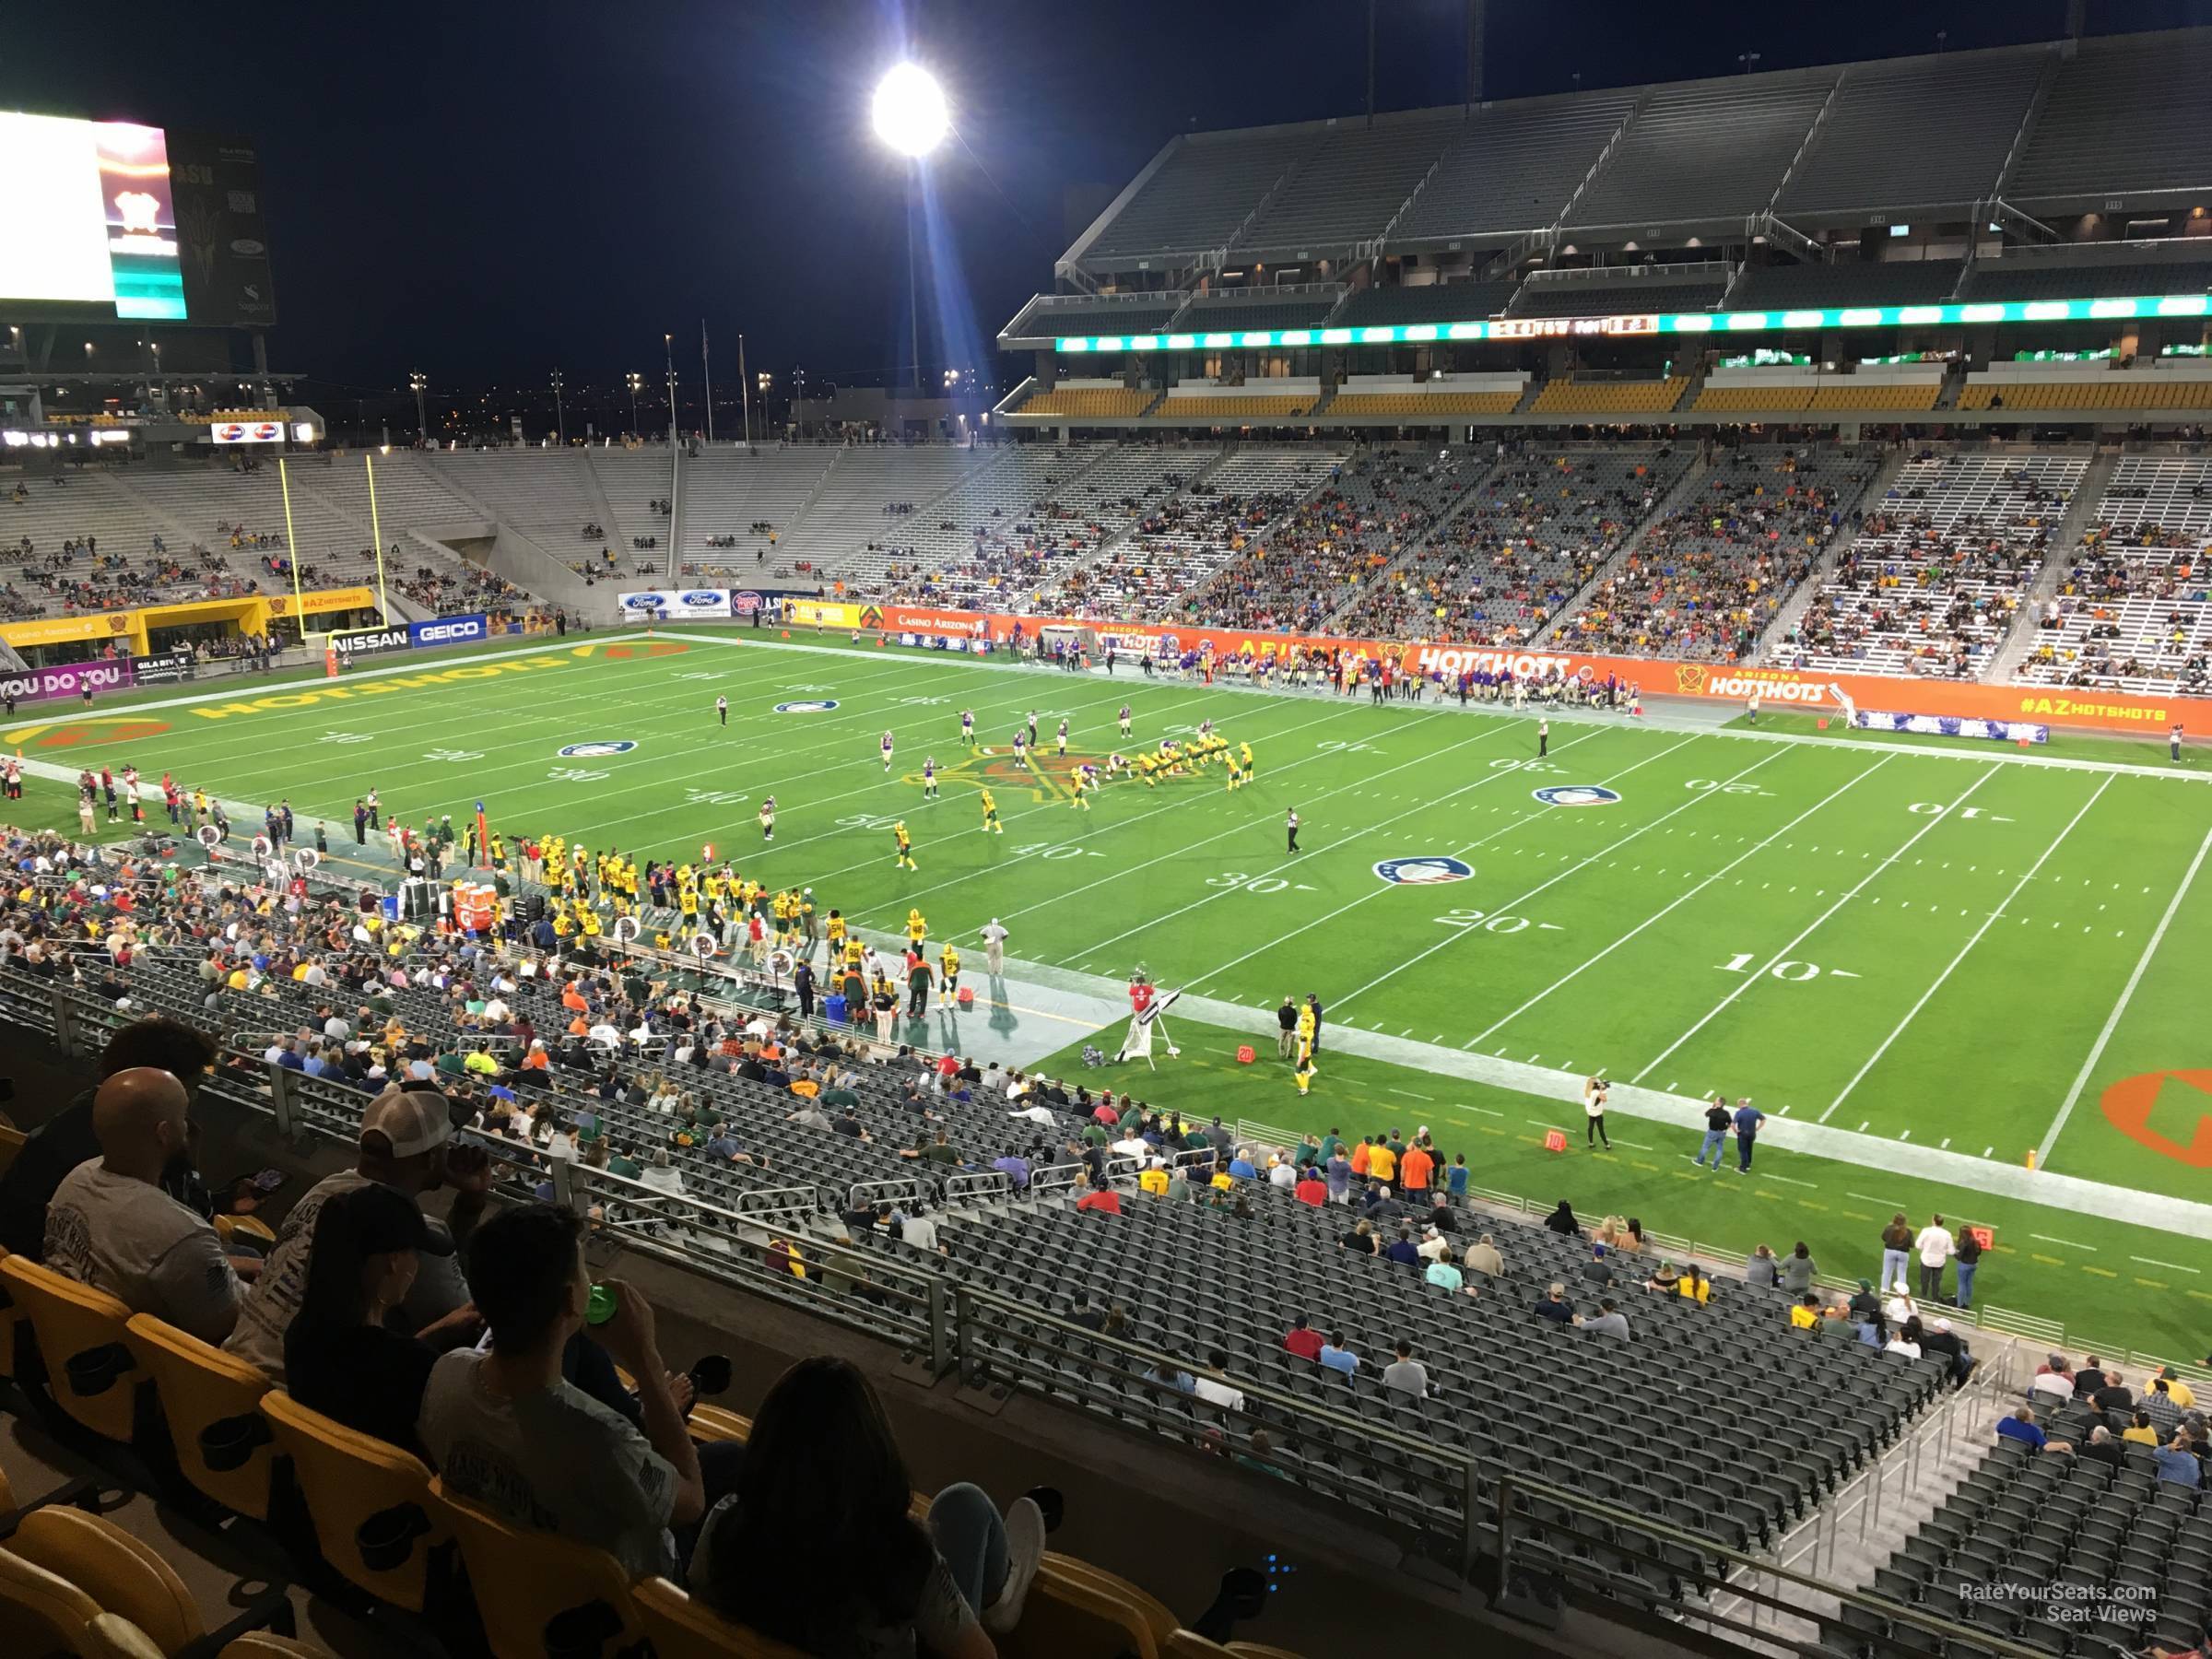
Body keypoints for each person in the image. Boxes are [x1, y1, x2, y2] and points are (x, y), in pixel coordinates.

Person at [416, 1204, 726, 1581]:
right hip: (615, 1599)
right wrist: (645, 1360)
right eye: (583, 1271)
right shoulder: (602, 1438)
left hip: (501, 1577)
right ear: (569, 1300)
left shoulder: (446, 1373)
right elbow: (691, 1502)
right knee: (729, 1461)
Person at [693, 1357, 1045, 1654]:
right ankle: (1001, 1592)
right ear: (872, 1455)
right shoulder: (905, 1558)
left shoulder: (727, 1524)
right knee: (964, 1505)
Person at [226, 1084, 490, 1382]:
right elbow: (463, 1316)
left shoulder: (325, 1189)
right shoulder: (411, 1234)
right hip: (296, 1400)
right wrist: (472, 1202)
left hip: (225, 1370)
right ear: (432, 1158)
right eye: (446, 1143)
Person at [41, 1068, 247, 1343]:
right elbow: (226, 1326)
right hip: (145, 1366)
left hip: (63, 1339)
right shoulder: (182, 1233)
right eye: (182, 1118)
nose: (187, 1126)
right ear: (163, 1133)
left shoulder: (76, 1177)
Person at [0, 1017, 222, 1261]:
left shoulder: (87, 1111)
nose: (193, 1099)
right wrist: (186, 1159)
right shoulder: (136, 1147)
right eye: (192, 1088)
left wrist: (223, 1200)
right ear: (161, 1085)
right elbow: (182, 1238)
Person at [284, 1183, 481, 1454]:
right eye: (416, 1253)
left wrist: (437, 1331)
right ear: (394, 1261)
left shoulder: (301, 1333)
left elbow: (367, 1368)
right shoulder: (414, 1366)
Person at [1913, 1215, 1956, 1301]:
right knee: (1936, 1282)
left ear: (1934, 1221)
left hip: (1926, 1260)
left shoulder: (1926, 1231)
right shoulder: (1947, 1234)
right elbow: (1952, 1251)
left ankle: (1923, 1297)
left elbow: (1917, 1245)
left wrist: (1925, 1248)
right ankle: (1935, 1299)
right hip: (1939, 1262)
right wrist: (1943, 1251)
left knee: (1924, 1280)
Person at [1995, 1406, 2068, 1453]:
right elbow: (2047, 1447)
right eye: (2032, 1414)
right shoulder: (2034, 1431)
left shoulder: (2006, 1420)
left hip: (2002, 1452)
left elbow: (1997, 1432)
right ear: (2028, 1419)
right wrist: (2064, 1444)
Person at [1693, 1094, 1732, 1172]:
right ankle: (1715, 1167)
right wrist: (1725, 1129)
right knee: (1719, 1148)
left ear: (1719, 1103)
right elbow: (1730, 1123)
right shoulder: (1726, 1113)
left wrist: (1713, 1107)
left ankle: (1699, 1161)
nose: (1714, 1101)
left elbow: (1706, 1114)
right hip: (1722, 1133)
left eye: (1716, 1100)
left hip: (1712, 1132)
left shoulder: (1713, 1111)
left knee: (1705, 1147)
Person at [1878, 1214, 1912, 1294]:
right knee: (1902, 1273)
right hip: (1903, 1254)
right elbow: (1912, 1245)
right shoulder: (1908, 1231)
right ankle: (1901, 1293)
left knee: (1887, 1271)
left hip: (1889, 1251)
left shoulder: (1889, 1228)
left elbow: (1883, 1237)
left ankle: (1884, 1291)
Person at [1732, 1097, 1765, 1172]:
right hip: (1752, 1134)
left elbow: (1733, 1124)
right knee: (1749, 1149)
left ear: (1740, 1104)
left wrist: (1736, 1131)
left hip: (1743, 1134)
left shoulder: (1739, 1113)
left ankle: (1743, 1168)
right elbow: (1763, 1119)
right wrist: (1757, 1128)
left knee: (1743, 1150)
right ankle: (1748, 1165)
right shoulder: (1754, 1111)